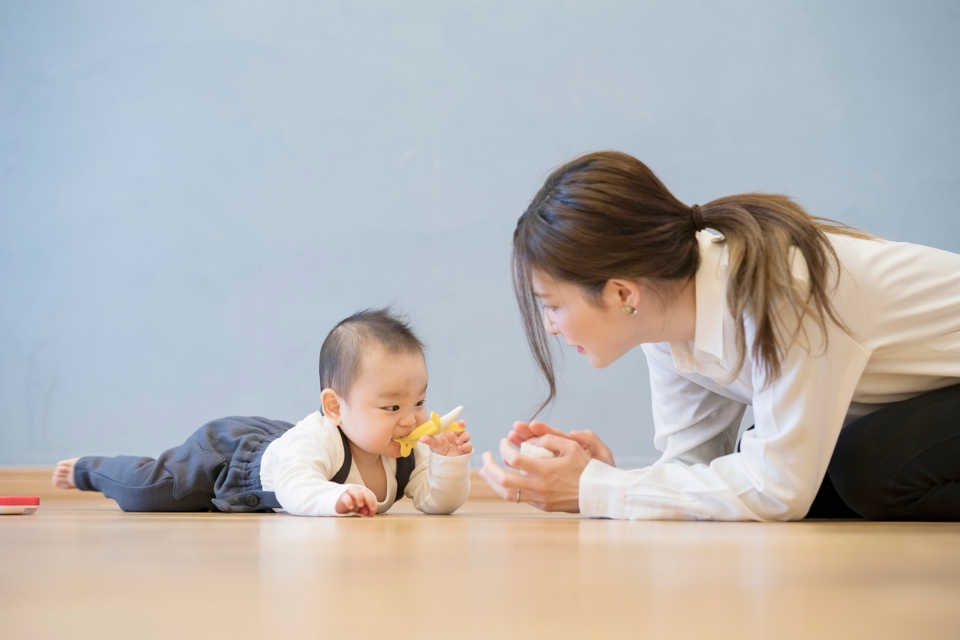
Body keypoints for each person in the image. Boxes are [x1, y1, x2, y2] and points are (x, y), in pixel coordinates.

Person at [480, 151, 960, 522]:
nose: (550, 327)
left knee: (869, 470)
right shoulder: (664, 319)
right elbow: (697, 465)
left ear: (621, 291)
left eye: (553, 306)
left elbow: (778, 491)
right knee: (795, 468)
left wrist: (597, 490)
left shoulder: (775, 292)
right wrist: (610, 479)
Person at [53, 308, 473, 517]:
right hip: (229, 458)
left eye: (419, 402)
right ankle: (90, 469)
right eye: (392, 406)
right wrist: (336, 497)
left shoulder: (403, 451)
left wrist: (448, 464)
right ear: (335, 408)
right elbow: (294, 485)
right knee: (150, 492)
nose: (411, 419)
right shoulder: (319, 440)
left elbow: (436, 503)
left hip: (282, 440)